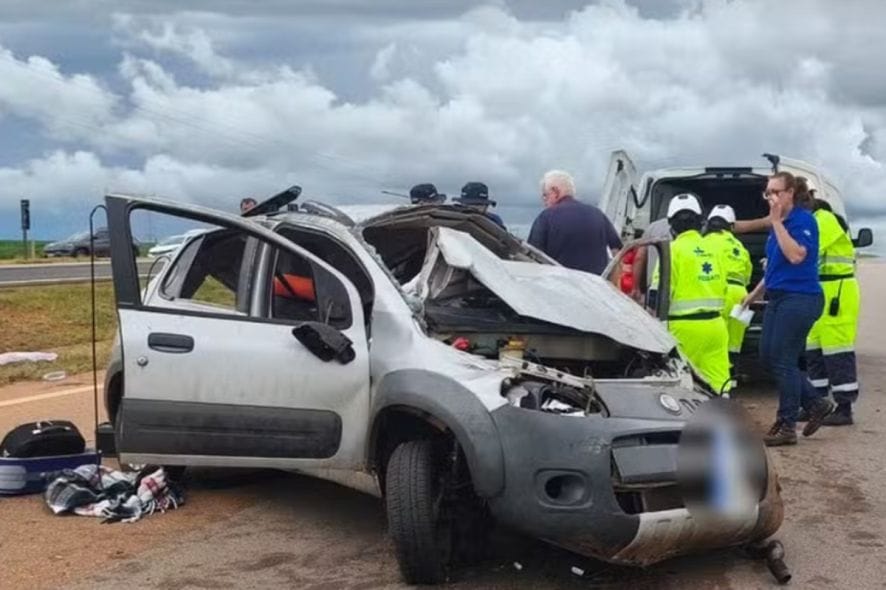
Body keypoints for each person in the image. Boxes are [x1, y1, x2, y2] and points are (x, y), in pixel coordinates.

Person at [742, 172, 834, 446]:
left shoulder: (803, 220)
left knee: (783, 359)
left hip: (801, 298)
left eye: (776, 192)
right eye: (768, 193)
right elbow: (773, 267)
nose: (771, 197)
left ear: (791, 192)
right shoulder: (778, 224)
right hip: (780, 297)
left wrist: (777, 223)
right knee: (768, 357)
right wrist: (753, 294)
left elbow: (795, 256)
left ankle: (786, 424)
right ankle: (816, 404)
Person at [656, 193, 731, 395]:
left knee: (683, 387)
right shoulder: (716, 249)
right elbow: (725, 287)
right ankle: (723, 423)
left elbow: (659, 295)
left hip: (683, 329)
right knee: (719, 383)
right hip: (716, 326)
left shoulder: (670, 251)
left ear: (671, 224)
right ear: (701, 221)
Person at [804, 195, 860, 425]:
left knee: (837, 350)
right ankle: (816, 405)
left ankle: (844, 408)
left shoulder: (824, 218)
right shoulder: (816, 218)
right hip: (821, 289)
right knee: (814, 350)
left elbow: (810, 250)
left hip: (837, 290)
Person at [528, 170, 622, 275]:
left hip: (558, 286)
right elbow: (617, 252)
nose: (544, 201)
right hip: (595, 287)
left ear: (555, 192)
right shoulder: (598, 214)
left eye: (545, 195)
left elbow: (531, 257)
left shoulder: (545, 218)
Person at [703, 205, 753, 387]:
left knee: (718, 340)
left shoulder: (706, 242)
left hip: (719, 293)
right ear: (731, 226)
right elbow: (747, 275)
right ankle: (731, 381)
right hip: (741, 296)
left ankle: (716, 381)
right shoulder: (740, 246)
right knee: (734, 342)